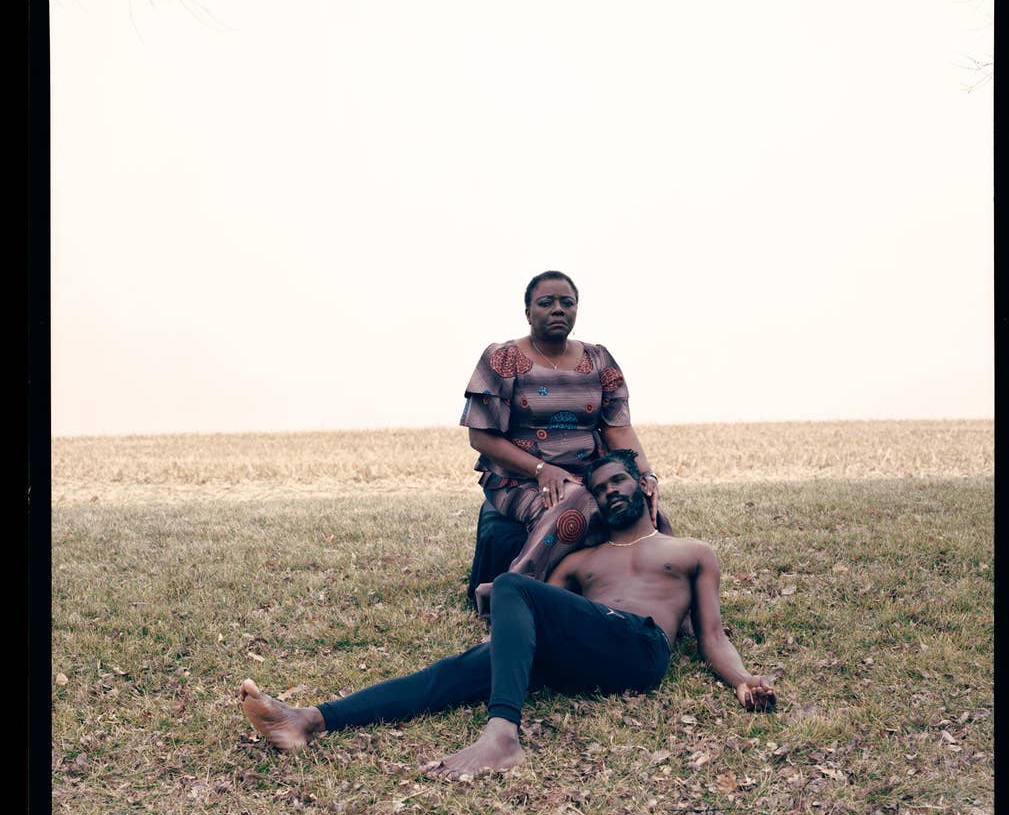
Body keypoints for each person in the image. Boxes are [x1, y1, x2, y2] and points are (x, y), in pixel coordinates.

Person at [239, 450, 776, 777]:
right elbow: (528, 609)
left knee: (517, 586)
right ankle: (309, 720)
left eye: (619, 482)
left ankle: (503, 735)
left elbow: (711, 637)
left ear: (642, 487)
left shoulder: (690, 553)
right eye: (600, 487)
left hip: (640, 650)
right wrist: (502, 611)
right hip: (579, 660)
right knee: (455, 671)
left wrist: (743, 680)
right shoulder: (582, 561)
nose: (611, 491)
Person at [460, 270, 672, 585]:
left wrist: (646, 476)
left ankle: (671, 599)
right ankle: (513, 589)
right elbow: (481, 436)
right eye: (546, 303)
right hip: (519, 478)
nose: (558, 309)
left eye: (567, 303)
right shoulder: (503, 358)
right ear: (528, 313)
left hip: (590, 472)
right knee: (578, 503)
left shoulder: (599, 359)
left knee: (640, 505)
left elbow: (619, 429)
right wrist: (541, 469)